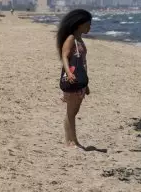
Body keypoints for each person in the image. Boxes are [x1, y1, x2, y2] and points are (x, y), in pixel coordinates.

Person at [56, 9, 91, 148]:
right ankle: (69, 141)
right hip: (72, 80)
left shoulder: (80, 40)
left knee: (74, 112)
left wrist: (86, 83)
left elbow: (82, 63)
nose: (89, 27)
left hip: (80, 81)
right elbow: (64, 56)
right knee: (70, 112)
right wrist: (69, 73)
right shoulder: (71, 38)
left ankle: (73, 140)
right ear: (79, 25)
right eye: (87, 24)